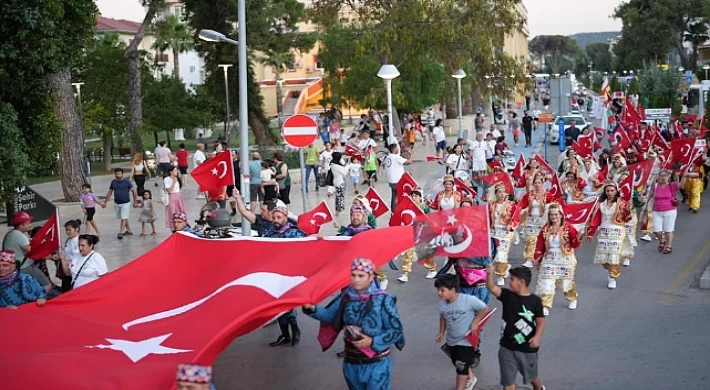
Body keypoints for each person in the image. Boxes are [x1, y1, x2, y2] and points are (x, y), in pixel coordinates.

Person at [302, 258, 405, 390]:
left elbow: (396, 331)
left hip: (377, 364)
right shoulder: (346, 297)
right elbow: (329, 316)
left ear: (371, 276)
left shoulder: (383, 300)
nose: (356, 280)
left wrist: (372, 341)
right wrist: (312, 309)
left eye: (361, 276)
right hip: (351, 363)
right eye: (353, 275)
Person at [485, 265, 546, 390]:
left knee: (532, 376)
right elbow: (491, 287)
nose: (509, 282)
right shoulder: (507, 295)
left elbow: (540, 321)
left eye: (512, 279)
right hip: (506, 347)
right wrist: (489, 274)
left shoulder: (535, 301)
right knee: (508, 383)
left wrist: (537, 337)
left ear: (521, 282)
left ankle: (539, 388)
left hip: (527, 348)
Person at [435, 274, 490, 390]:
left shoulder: (468, 300)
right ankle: (471, 377)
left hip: (466, 341)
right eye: (438, 290)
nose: (439, 293)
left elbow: (484, 309)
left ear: (453, 290)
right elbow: (443, 318)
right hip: (451, 341)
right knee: (458, 363)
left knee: (460, 368)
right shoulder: (442, 305)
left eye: (442, 290)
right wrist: (441, 333)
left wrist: (475, 322)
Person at [265, 201, 306, 346]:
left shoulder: (294, 233)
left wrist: (317, 238)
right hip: (274, 275)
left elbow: (309, 246)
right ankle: (285, 334)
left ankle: (295, 329)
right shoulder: (268, 234)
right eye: (274, 217)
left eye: (279, 217)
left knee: (287, 303)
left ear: (285, 218)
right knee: (276, 305)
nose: (276, 220)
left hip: (289, 275)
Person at [533, 203, 582, 316]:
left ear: (561, 215)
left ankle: (572, 298)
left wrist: (578, 237)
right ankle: (545, 305)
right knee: (546, 282)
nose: (553, 217)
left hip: (565, 258)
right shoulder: (546, 229)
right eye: (551, 215)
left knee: (565, 282)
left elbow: (575, 244)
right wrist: (538, 259)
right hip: (549, 259)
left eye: (556, 214)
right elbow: (540, 244)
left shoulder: (568, 227)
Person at [586, 181, 631, 289]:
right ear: (605, 192)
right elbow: (595, 219)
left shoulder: (622, 203)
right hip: (604, 232)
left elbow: (627, 218)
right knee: (604, 258)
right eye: (608, 191)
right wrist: (590, 233)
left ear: (616, 191)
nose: (610, 192)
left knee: (614, 256)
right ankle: (609, 269)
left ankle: (613, 277)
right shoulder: (600, 204)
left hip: (618, 231)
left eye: (612, 190)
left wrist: (628, 210)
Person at [2, 212, 53, 292]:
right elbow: (32, 251)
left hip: (14, 267)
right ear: (21, 225)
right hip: (24, 267)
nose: (30, 225)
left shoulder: (10, 234)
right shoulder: (19, 236)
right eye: (28, 223)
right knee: (47, 284)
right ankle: (40, 299)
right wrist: (49, 255)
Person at [397, 188, 437, 282]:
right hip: (411, 233)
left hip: (422, 233)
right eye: (412, 196)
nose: (414, 197)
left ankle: (432, 269)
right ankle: (405, 273)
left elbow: (428, 220)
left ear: (420, 197)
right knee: (408, 253)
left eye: (416, 196)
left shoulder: (424, 208)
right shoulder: (408, 206)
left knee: (424, 253)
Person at [518, 177, 556, 268]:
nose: (537, 185)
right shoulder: (529, 195)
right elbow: (522, 205)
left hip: (542, 221)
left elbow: (553, 207)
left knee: (542, 240)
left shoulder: (548, 195)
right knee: (530, 240)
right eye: (535, 183)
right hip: (531, 220)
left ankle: (542, 257)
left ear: (543, 183)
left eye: (539, 183)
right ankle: (529, 259)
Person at [488, 183, 520, 286]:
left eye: (503, 192)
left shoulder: (511, 205)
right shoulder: (491, 205)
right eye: (499, 192)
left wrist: (510, 225)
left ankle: (500, 275)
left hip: (505, 233)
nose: (502, 194)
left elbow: (516, 217)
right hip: (493, 232)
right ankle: (505, 267)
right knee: (493, 256)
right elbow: (486, 218)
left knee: (501, 255)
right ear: (496, 194)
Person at [646, 169, 679, 254]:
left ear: (668, 177)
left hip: (670, 211)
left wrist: (683, 175)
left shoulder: (672, 185)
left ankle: (668, 246)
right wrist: (646, 207)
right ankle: (662, 240)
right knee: (656, 230)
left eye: (665, 175)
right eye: (662, 175)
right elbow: (650, 196)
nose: (663, 177)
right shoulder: (656, 186)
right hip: (657, 211)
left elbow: (681, 185)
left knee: (668, 230)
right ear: (659, 177)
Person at [104, 168, 139, 239]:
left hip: (126, 202)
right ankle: (129, 231)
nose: (118, 175)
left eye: (119, 174)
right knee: (123, 217)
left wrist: (135, 201)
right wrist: (105, 202)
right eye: (116, 174)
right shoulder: (113, 182)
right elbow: (110, 192)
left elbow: (134, 191)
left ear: (122, 174)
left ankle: (121, 232)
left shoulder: (127, 182)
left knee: (124, 217)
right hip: (117, 202)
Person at [383, 143, 414, 212]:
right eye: (397, 148)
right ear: (394, 149)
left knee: (394, 196)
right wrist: (412, 154)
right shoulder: (395, 157)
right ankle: (398, 211)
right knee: (399, 196)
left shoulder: (387, 157)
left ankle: (393, 211)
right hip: (398, 181)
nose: (398, 149)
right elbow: (409, 162)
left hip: (391, 181)